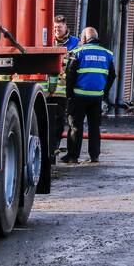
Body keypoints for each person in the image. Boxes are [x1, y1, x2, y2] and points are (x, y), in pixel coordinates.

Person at [63, 27, 116, 164]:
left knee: (75, 126)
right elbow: (112, 76)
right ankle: (94, 156)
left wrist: (69, 95)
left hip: (78, 96)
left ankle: (73, 156)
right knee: (94, 127)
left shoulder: (77, 52)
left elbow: (70, 75)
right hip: (96, 97)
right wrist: (104, 92)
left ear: (85, 38)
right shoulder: (108, 54)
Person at [47, 15, 80, 158]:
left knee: (59, 119)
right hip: (46, 89)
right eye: (54, 27)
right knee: (47, 119)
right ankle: (48, 145)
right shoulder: (47, 41)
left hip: (63, 89)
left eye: (59, 27)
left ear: (66, 27)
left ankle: (55, 146)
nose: (56, 30)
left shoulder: (75, 43)